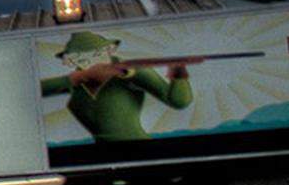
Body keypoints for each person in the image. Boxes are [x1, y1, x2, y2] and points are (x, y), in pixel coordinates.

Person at [41, 31, 192, 142]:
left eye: (95, 54)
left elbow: (178, 101)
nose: (87, 62)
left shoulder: (127, 72)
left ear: (109, 51)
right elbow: (37, 90)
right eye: (78, 58)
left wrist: (178, 74)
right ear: (70, 61)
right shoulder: (77, 82)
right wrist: (77, 78)